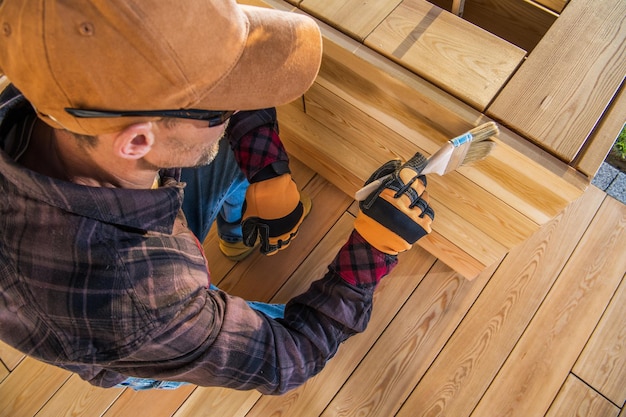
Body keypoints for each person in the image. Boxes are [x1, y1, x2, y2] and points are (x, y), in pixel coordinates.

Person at [0, 0, 434, 394]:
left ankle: (233, 233)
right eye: (222, 107)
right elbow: (286, 358)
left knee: (213, 144)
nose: (237, 106)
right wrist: (372, 252)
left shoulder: (55, 84)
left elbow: (208, 85)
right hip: (139, 342)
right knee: (284, 327)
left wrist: (267, 172)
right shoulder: (139, 305)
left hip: (136, 251)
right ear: (136, 141)